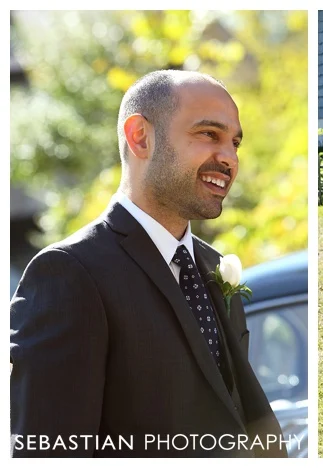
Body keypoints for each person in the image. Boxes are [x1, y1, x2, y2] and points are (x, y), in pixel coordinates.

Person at [10, 70, 286, 457]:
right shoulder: (68, 274)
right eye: (209, 134)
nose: (228, 157)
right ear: (141, 136)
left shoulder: (213, 266)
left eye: (235, 142)